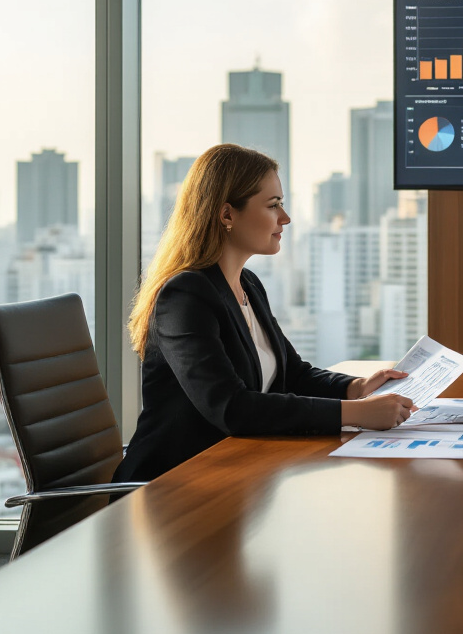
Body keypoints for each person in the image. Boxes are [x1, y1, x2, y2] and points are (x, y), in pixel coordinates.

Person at [114, 144, 414, 482]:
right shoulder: (183, 296)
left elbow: (293, 374)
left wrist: (356, 388)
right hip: (172, 486)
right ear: (227, 215)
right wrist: (355, 413)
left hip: (237, 473)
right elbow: (231, 408)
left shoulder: (247, 284)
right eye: (273, 206)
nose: (285, 218)